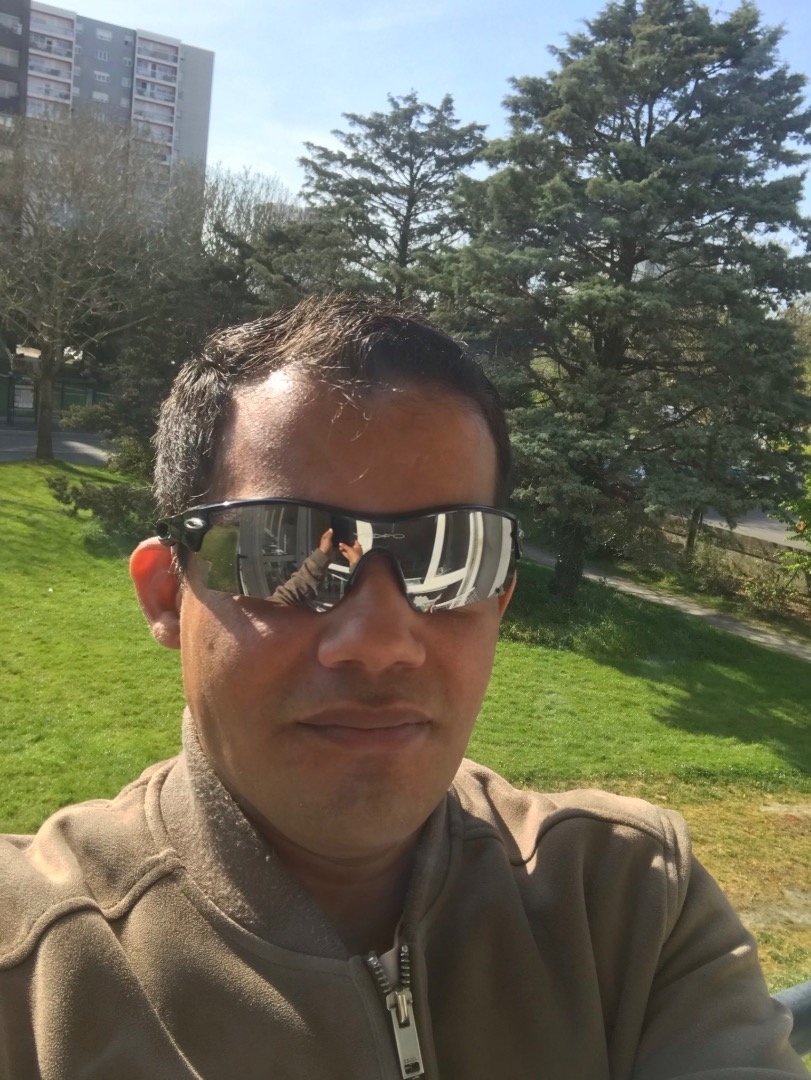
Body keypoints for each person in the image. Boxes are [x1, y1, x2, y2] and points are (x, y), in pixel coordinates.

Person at [0, 295, 806, 1079]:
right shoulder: (28, 975)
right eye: (282, 552)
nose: (381, 643)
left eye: (453, 556)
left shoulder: (631, 900)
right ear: (166, 595)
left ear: (498, 601)